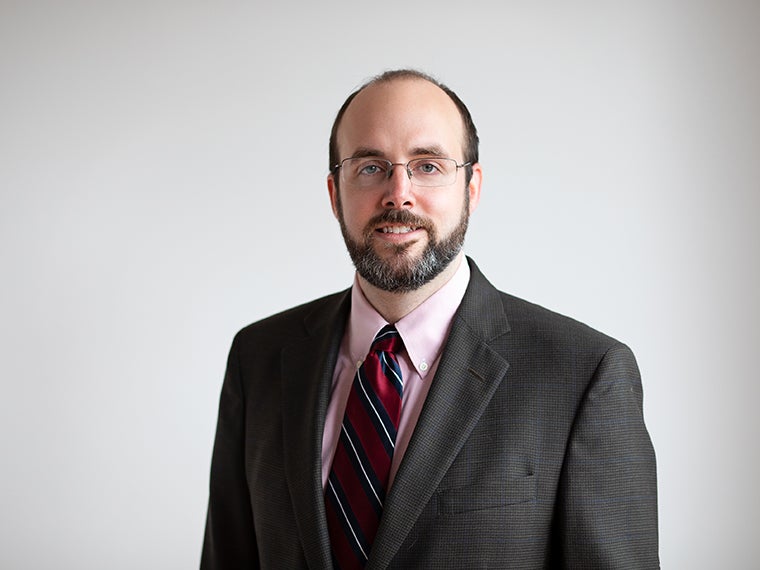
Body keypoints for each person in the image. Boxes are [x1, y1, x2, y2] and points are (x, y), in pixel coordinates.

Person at [201, 69, 659, 569]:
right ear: (335, 194)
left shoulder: (583, 374)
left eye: (428, 166)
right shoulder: (259, 358)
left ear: (472, 188)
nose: (399, 194)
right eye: (370, 167)